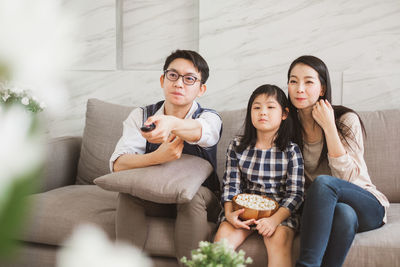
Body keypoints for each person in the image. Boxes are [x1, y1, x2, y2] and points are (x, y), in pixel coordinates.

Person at [109, 49, 222, 261]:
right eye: (173, 75)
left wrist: (171, 123)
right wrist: (157, 157)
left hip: (203, 198)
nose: (179, 83)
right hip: (156, 194)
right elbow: (117, 165)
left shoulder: (210, 118)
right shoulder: (140, 116)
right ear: (163, 80)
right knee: (128, 195)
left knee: (193, 197)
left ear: (201, 89)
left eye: (189, 79)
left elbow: (202, 132)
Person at [287, 55, 390, 267]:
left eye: (308, 81)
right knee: (343, 214)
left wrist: (329, 127)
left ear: (322, 88)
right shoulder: (287, 127)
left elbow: (349, 178)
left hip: (366, 203)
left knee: (324, 183)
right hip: (330, 209)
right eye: (293, 81)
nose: (299, 89)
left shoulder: (345, 120)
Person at [214, 84, 305, 267]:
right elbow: (231, 185)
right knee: (221, 244)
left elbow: (296, 194)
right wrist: (230, 213)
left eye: (271, 107)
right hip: (241, 209)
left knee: (279, 241)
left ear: (284, 114)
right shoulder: (237, 146)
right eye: (257, 107)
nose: (263, 112)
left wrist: (274, 220)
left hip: (279, 212)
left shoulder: (291, 150)